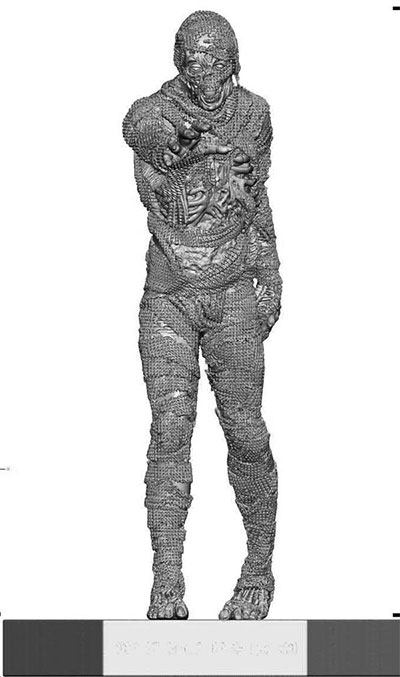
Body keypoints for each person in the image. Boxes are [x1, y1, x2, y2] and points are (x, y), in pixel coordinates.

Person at [123, 10, 282, 620]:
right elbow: (140, 127)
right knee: (169, 429)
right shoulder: (157, 111)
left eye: (214, 57)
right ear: (178, 60)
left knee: (245, 428)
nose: (201, 66)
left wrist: (270, 273)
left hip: (233, 287)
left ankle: (259, 567)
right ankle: (167, 578)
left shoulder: (254, 114)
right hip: (169, 292)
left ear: (232, 61)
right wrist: (179, 141)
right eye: (191, 55)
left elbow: (256, 196)